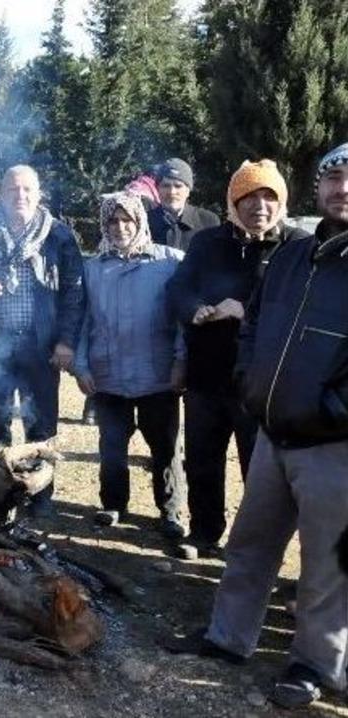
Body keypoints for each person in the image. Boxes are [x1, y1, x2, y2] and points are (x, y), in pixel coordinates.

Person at [165, 142, 348, 709]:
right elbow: (254, 324)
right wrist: (249, 379)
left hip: (334, 444)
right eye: (333, 179)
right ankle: (228, 637)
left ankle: (314, 663)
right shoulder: (292, 257)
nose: (342, 189)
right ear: (317, 188)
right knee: (250, 544)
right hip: (273, 430)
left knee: (327, 563)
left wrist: (332, 412)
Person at [166, 159, 308, 560]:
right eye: (249, 197)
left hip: (262, 383)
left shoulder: (297, 247)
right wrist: (195, 308)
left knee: (259, 472)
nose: (259, 206)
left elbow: (301, 308)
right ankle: (204, 532)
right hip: (206, 376)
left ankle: (257, 549)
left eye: (268, 197)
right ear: (233, 201)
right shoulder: (208, 242)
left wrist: (243, 309)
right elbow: (178, 288)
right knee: (202, 461)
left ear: (281, 201)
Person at [72, 192, 186, 538]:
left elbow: (183, 320)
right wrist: (81, 365)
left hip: (157, 374)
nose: (120, 227)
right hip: (108, 373)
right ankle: (113, 503)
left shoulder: (169, 262)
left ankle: (171, 511)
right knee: (111, 444)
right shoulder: (93, 268)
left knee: (165, 447)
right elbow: (83, 320)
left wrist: (181, 361)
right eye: (113, 221)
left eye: (127, 220)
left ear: (139, 222)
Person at [0, 165, 85, 517]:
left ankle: (40, 496)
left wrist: (66, 341)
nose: (19, 196)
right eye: (12, 189)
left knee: (41, 425)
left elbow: (73, 292)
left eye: (26, 190)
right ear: (1, 194)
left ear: (39, 194)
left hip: (41, 345)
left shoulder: (58, 235)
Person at [148, 158, 219, 252]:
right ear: (158, 189)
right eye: (166, 186)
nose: (172, 192)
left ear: (188, 190)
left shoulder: (208, 222)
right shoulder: (146, 222)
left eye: (178, 186)